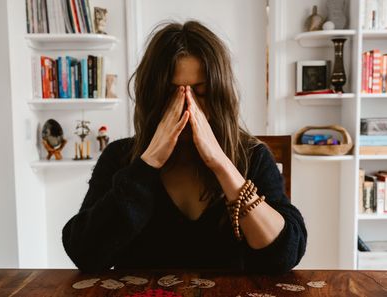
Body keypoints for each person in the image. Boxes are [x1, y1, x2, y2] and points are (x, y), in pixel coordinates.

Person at [62, 20, 307, 274]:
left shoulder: (252, 156)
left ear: (219, 96)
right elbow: (84, 253)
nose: (189, 108)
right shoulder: (120, 157)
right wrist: (147, 164)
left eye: (201, 93)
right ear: (153, 96)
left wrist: (222, 164)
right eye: (173, 94)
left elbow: (285, 255)